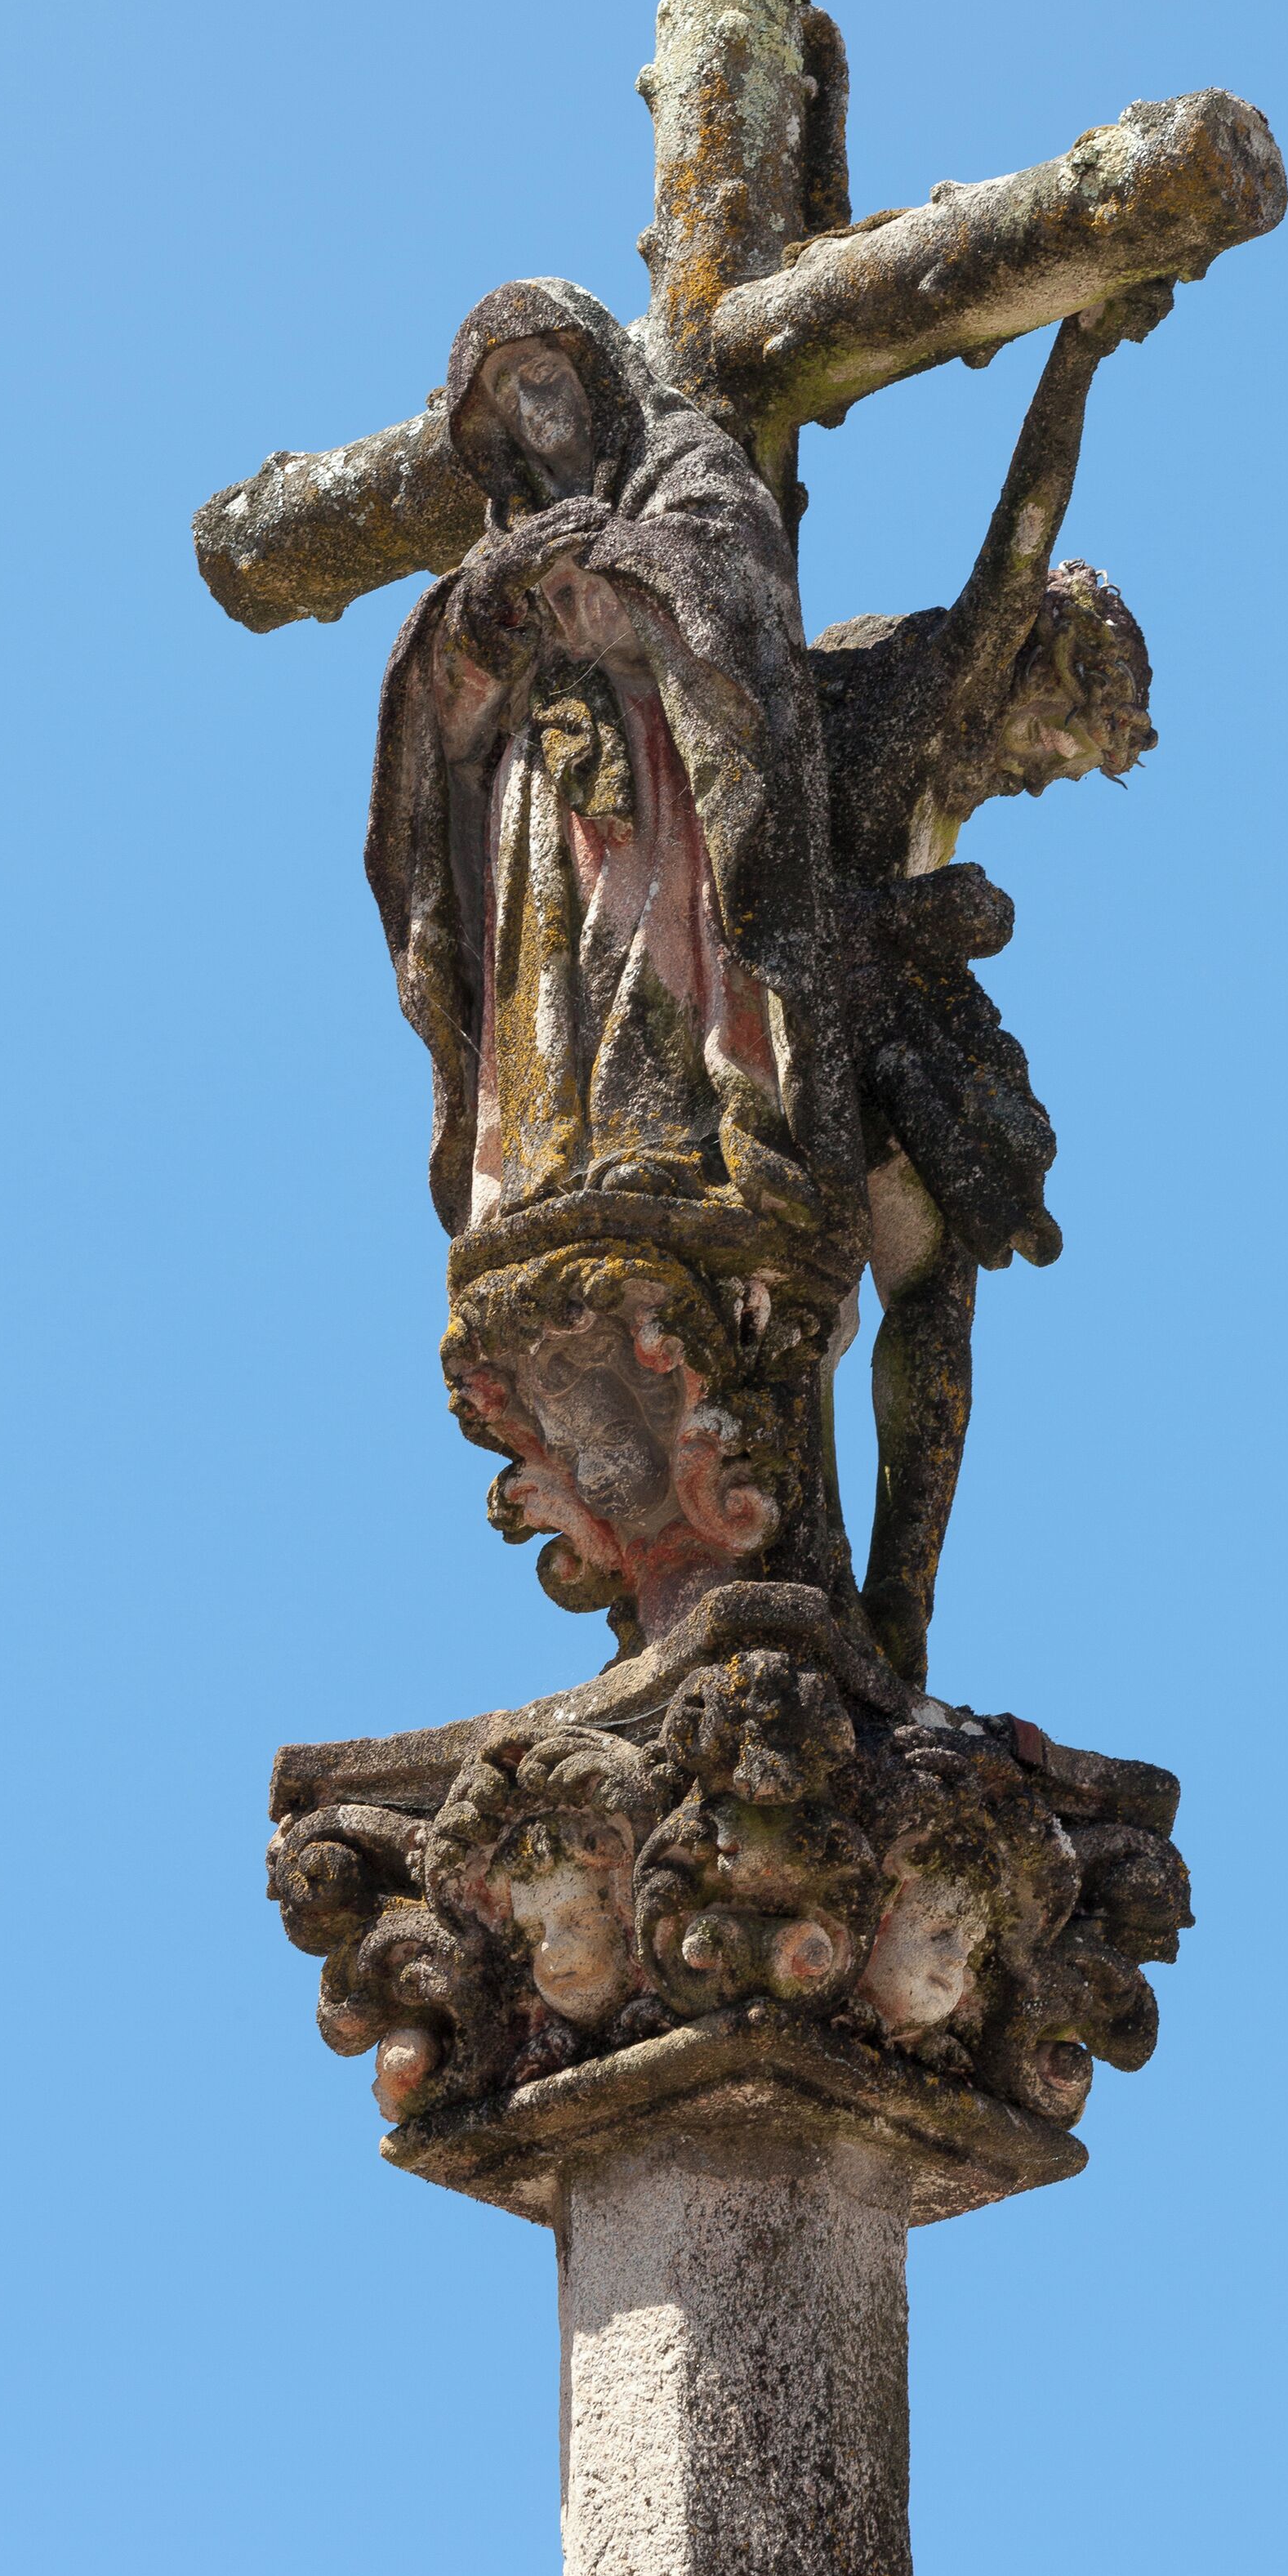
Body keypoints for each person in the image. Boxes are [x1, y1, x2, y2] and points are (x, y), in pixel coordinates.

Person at [809, 290, 1168, 1682]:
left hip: (874, 997)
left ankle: (897, 1602)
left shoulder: (950, 778)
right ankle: (830, 1575)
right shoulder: (938, 678)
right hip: (806, 997)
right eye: (1062, 736)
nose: (1044, 772)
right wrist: (1077, 347)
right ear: (1033, 668)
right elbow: (1023, 527)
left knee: (942, 1284)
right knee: (834, 1295)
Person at [366, 279, 864, 1257]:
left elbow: (731, 587)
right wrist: (493, 602)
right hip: (538, 794)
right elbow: (446, 715)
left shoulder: (686, 463)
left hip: (662, 761)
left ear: (592, 367)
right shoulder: (498, 539)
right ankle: (543, 1166)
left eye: (542, 371)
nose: (531, 402)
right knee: (547, 969)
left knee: (651, 934)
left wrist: (620, 564)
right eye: (504, 391)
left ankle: (668, 1137)